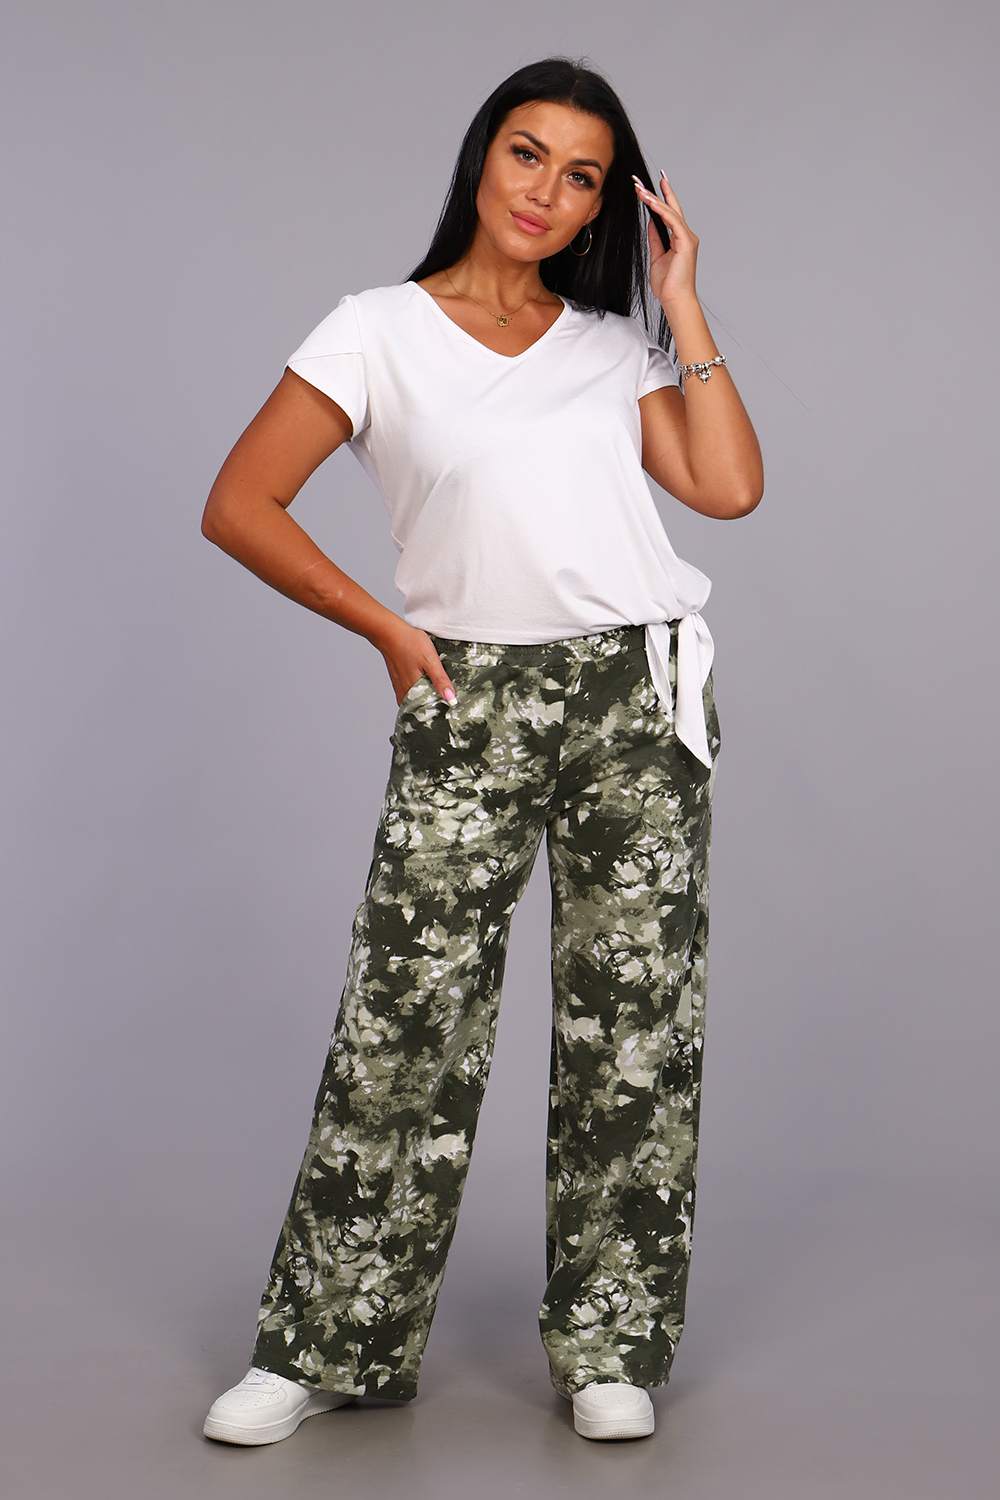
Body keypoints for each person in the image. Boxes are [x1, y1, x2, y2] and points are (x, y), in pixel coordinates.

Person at [199, 56, 763, 1447]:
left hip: (637, 697)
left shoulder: (612, 344)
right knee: (406, 1018)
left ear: (603, 206)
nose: (546, 191)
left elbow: (730, 486)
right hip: (469, 688)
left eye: (582, 177)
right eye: (527, 153)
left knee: (634, 1031)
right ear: (481, 156)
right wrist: (387, 629)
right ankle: (328, 1341)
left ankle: (612, 1344)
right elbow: (240, 502)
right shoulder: (376, 331)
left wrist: (683, 300)